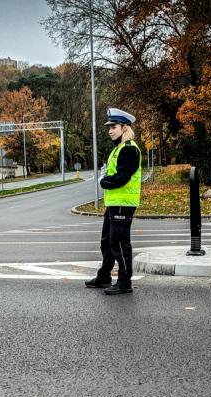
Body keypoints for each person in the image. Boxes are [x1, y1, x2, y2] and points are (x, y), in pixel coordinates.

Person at [84, 108, 142, 295]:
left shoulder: (129, 149)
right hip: (114, 203)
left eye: (114, 127)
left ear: (125, 127)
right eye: (109, 127)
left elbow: (122, 178)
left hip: (123, 203)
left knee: (119, 242)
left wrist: (103, 181)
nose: (110, 131)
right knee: (107, 241)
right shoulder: (118, 149)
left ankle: (124, 281)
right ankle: (104, 276)